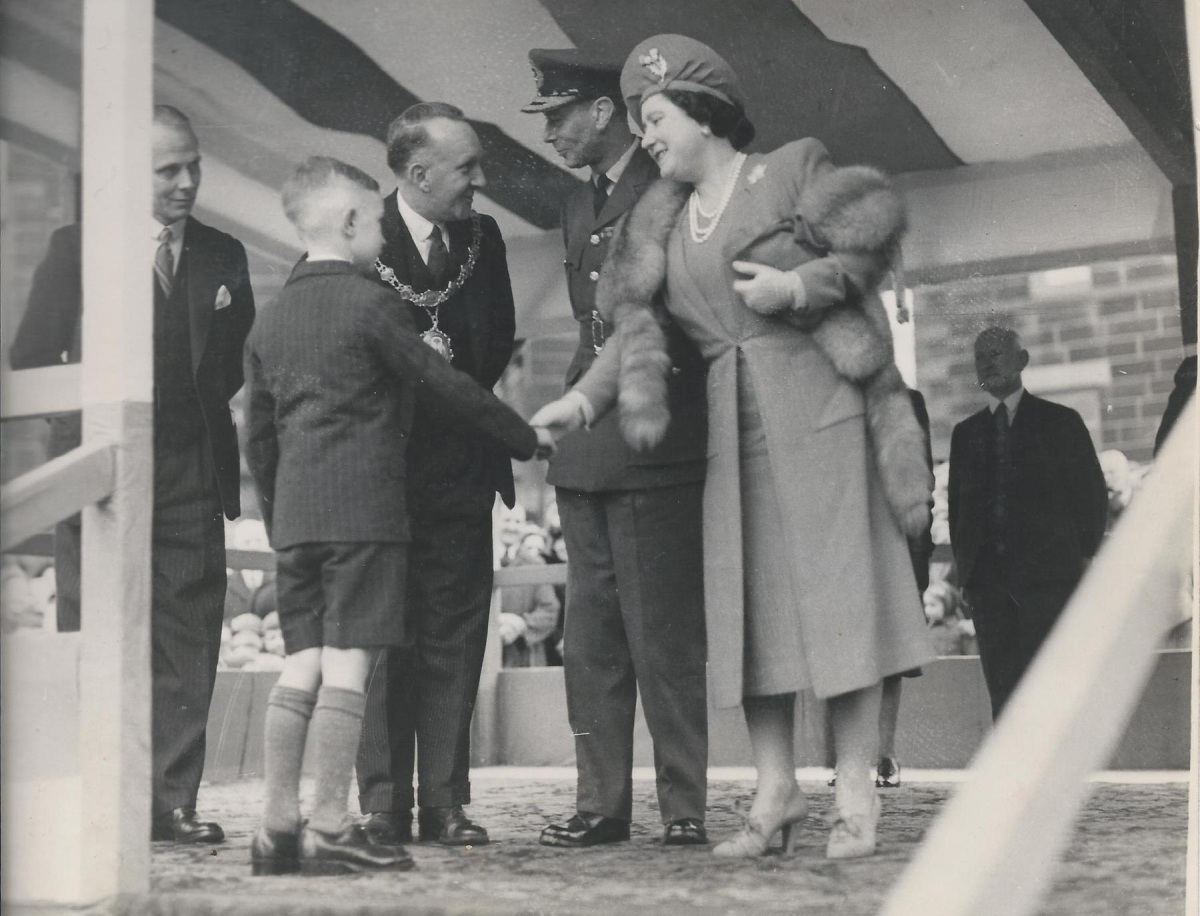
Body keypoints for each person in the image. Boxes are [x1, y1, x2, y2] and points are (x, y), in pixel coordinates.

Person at [532, 35, 932, 860]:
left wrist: (800, 286)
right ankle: (776, 790)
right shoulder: (663, 217)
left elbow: (870, 237)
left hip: (819, 413)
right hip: (731, 429)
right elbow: (634, 328)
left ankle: (855, 790)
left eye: (656, 118)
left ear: (704, 113)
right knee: (751, 615)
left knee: (839, 602)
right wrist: (580, 399)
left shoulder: (787, 169)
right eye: (643, 122)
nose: (647, 137)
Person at [243, 156, 540, 875]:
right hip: (366, 517)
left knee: (301, 666)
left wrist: (285, 517)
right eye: (375, 221)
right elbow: (440, 384)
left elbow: (257, 434)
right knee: (350, 669)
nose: (381, 233)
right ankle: (329, 826)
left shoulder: (272, 317)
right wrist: (526, 437)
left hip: (301, 520)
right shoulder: (372, 306)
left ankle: (276, 828)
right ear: (349, 224)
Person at [10, 105, 254, 844]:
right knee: (99, 631)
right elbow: (31, 357)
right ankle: (102, 796)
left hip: (189, 465)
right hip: (104, 468)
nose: (186, 184)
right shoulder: (76, 249)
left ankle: (173, 802)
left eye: (193, 167)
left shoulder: (223, 254)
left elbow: (229, 361)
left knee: (188, 637)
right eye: (166, 171)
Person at [521, 48, 710, 848]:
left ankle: (683, 807)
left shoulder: (669, 188)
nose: (553, 131)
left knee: (662, 636)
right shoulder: (576, 203)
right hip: (589, 446)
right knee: (590, 638)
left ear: (603, 112)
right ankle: (600, 805)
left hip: (649, 427)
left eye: (561, 115)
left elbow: (657, 323)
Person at [356, 102, 518, 848]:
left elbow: (493, 349)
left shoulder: (486, 241)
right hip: (381, 479)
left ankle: (446, 801)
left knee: (455, 636)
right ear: (418, 174)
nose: (480, 181)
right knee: (387, 641)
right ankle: (383, 804)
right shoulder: (358, 235)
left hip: (460, 476)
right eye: (467, 169)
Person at [949, 327, 1107, 719]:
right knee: (1003, 691)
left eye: (997, 353)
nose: (988, 362)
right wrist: (968, 576)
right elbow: (959, 513)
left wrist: (1080, 562)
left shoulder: (1061, 423)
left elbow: (1091, 497)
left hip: (1050, 584)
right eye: (980, 357)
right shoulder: (966, 435)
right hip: (990, 590)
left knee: (1051, 688)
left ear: (1022, 361)